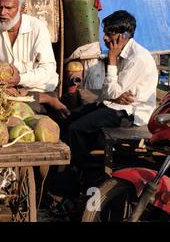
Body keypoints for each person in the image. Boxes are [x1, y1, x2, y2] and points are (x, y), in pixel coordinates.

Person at [64, 10, 158, 188]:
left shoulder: (137, 58)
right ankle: (76, 168)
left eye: (109, 34)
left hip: (129, 113)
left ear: (123, 36)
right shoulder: (125, 52)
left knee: (76, 129)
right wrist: (114, 94)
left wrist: (112, 60)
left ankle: (89, 173)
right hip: (114, 106)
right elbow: (111, 93)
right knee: (69, 118)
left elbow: (111, 92)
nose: (105, 38)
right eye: (105, 33)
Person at [0, 0, 70, 117]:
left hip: (37, 88)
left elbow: (48, 69)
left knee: (18, 114)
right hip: (7, 91)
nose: (2, 12)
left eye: (8, 8)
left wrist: (20, 79)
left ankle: (49, 99)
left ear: (22, 8)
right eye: (0, 7)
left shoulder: (37, 28)